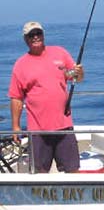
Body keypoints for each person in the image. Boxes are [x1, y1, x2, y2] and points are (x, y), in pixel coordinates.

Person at [8, 21, 84, 173]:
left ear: (43, 35)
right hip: (38, 130)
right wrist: (16, 127)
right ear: (25, 39)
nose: (36, 37)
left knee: (73, 171)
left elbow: (73, 76)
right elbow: (16, 97)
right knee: (39, 174)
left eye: (38, 33)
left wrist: (79, 73)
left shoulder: (60, 53)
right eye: (31, 35)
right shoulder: (20, 65)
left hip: (64, 126)